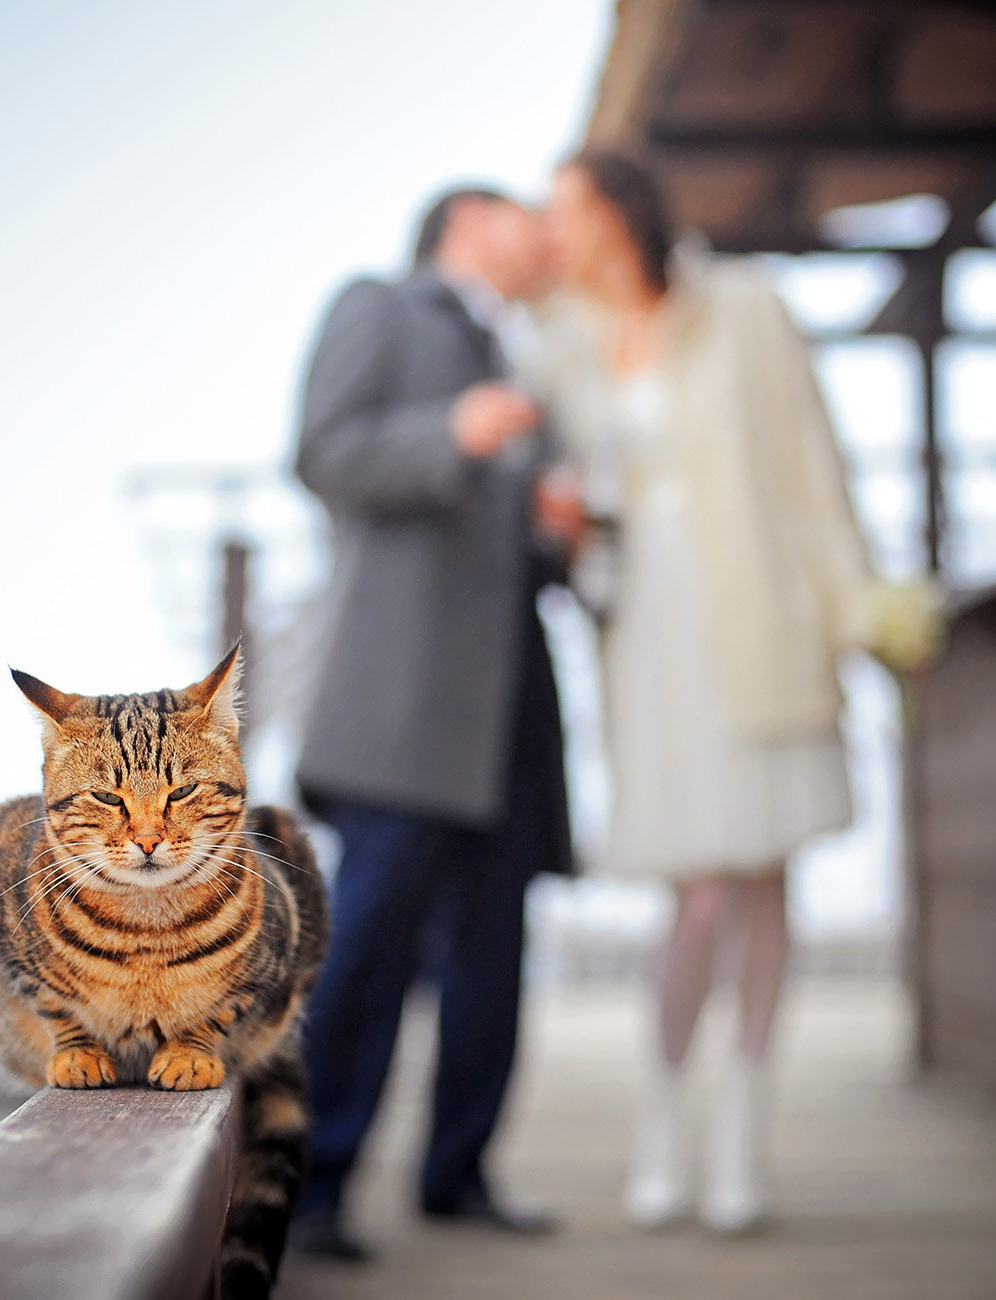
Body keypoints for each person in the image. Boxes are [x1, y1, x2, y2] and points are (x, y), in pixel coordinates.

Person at [536, 147, 879, 1234]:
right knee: (695, 887)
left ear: (617, 214)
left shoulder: (745, 309)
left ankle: (743, 1134)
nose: (557, 235)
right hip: (646, 629)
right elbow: (565, 496)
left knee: (764, 871)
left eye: (569, 213)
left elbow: (814, 471)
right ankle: (665, 1115)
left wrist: (854, 608)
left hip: (758, 610)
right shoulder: (560, 344)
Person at [290, 186, 573, 1260]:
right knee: (367, 940)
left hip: (509, 703)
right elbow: (326, 454)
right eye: (523, 214)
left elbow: (510, 538)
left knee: (497, 948)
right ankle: (312, 1185)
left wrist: (553, 524)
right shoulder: (379, 305)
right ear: (467, 219)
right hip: (402, 702)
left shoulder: (522, 349)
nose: (543, 232)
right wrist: (447, 431)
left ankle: (459, 1172)